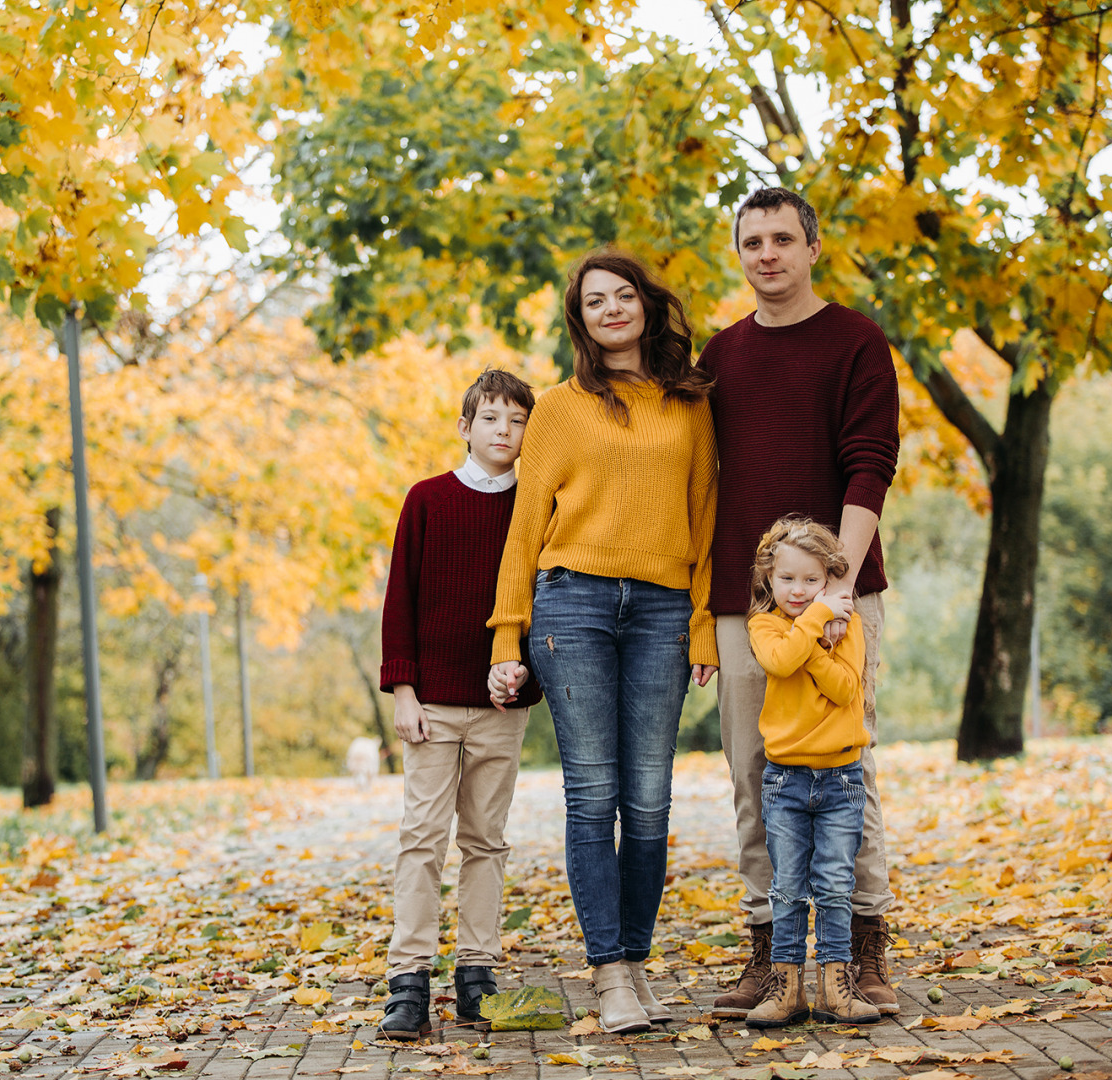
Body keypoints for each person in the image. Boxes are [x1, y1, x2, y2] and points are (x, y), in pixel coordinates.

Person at [487, 250, 718, 1034]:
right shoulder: (556, 407)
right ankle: (609, 971)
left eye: (625, 296)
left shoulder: (689, 403)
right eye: (596, 301)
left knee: (649, 798)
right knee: (593, 793)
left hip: (661, 609)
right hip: (570, 605)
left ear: (646, 307)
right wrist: (505, 639)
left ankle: (635, 961)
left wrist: (700, 624)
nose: (613, 309)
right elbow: (524, 530)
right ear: (580, 320)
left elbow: (706, 515)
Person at [700, 187, 901, 1019]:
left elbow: (870, 462)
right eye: (753, 242)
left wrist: (840, 586)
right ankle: (770, 955)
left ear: (813, 247)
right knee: (754, 772)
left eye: (783, 238)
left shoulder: (856, 341)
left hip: (844, 593)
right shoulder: (721, 356)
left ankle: (860, 954)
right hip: (745, 607)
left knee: (848, 768)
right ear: (740, 254)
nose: (768, 254)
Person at [377, 368, 543, 1040]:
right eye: (492, 418)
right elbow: (400, 601)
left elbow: (541, 603)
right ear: (465, 426)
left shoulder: (535, 508)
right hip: (433, 707)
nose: (504, 431)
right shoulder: (426, 500)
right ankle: (408, 979)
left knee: (485, 842)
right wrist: (404, 691)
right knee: (421, 840)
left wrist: (526, 677)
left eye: (517, 420)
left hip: (501, 707)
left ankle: (477, 972)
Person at [742, 517, 880, 1028]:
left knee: (835, 883)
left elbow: (846, 689)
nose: (798, 591)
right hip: (786, 780)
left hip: (842, 779)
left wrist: (814, 647)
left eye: (811, 581)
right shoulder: (765, 624)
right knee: (787, 886)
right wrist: (816, 626)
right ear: (768, 580)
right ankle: (786, 987)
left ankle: (837, 986)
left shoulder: (849, 624)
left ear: (829, 578)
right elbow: (779, 662)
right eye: (787, 580)